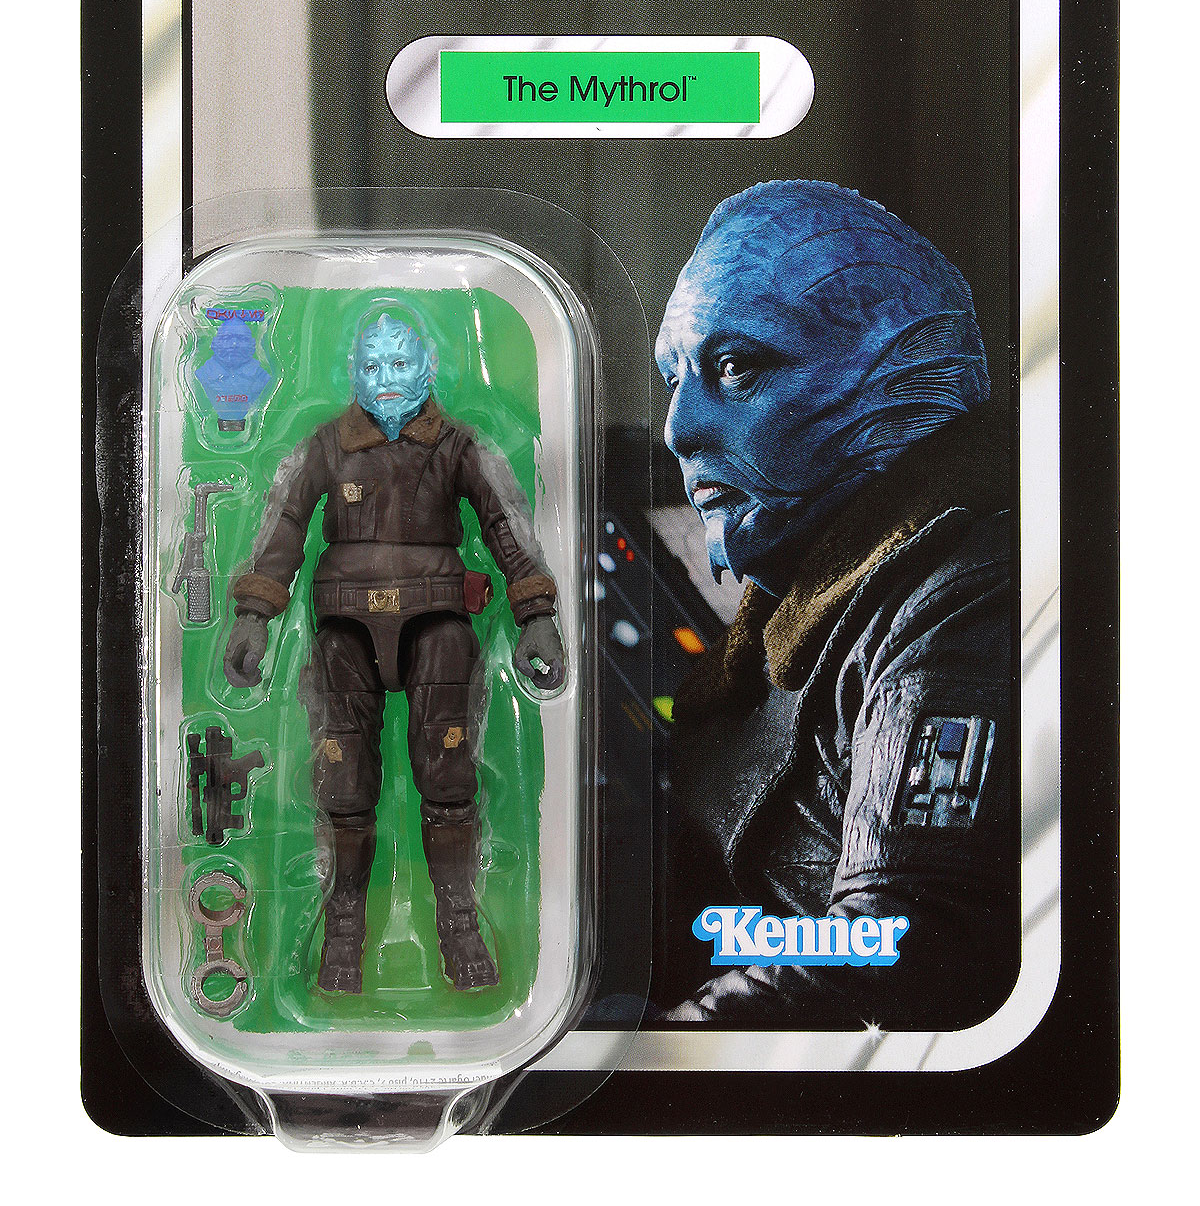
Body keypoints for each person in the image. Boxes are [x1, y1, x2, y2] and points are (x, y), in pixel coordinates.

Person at [653, 180, 1014, 1028]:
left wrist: (661, 1054)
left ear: (889, 368)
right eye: (674, 377)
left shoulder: (957, 602)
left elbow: (899, 940)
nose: (678, 428)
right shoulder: (804, 602)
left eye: (736, 366)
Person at [223, 312, 565, 995]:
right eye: (372, 366)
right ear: (353, 373)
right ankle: (343, 925)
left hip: (437, 625)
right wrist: (255, 614)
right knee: (343, 782)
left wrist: (536, 615)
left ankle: (459, 920)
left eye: (400, 364)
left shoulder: (460, 446)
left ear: (427, 370)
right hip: (345, 630)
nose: (386, 379)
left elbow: (506, 522)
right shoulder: (326, 446)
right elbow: (284, 522)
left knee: (449, 777)